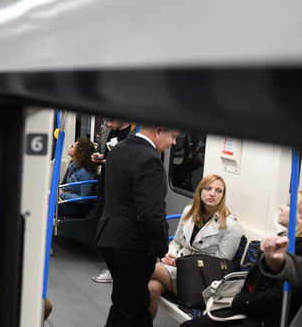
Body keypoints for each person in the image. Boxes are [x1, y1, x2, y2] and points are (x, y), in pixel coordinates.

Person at [95, 124, 179, 327]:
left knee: (139, 304)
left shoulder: (119, 149)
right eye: (172, 136)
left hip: (110, 237)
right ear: (158, 131)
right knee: (124, 310)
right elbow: (151, 214)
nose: (174, 142)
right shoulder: (149, 159)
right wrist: (161, 249)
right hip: (132, 247)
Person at [183, 190, 302, 327]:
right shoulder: (282, 237)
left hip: (264, 316)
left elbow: (281, 297)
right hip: (250, 304)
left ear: (300, 217)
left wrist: (241, 302)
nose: (281, 207)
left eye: (288, 205)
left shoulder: (299, 250)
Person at [149, 174, 243, 319]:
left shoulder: (231, 226)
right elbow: (177, 243)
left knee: (145, 267)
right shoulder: (189, 212)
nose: (212, 194)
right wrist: (169, 256)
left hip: (201, 279)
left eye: (219, 191)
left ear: (223, 196)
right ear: (200, 191)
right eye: (208, 188)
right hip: (177, 267)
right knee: (151, 288)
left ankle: (118, 271)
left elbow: (219, 264)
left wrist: (183, 264)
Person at [92, 118, 135, 283]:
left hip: (124, 188)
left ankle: (117, 270)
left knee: (118, 230)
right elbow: (103, 151)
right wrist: (98, 157)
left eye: (111, 120)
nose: (108, 124)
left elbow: (133, 163)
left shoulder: (134, 134)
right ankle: (114, 267)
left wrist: (110, 162)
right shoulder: (107, 131)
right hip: (108, 183)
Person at [58, 138, 98, 218]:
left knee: (49, 208)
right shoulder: (73, 166)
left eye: (72, 147)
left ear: (79, 152)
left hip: (80, 208)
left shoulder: (85, 172)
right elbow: (69, 186)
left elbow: (83, 199)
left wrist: (62, 194)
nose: (69, 147)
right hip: (72, 202)